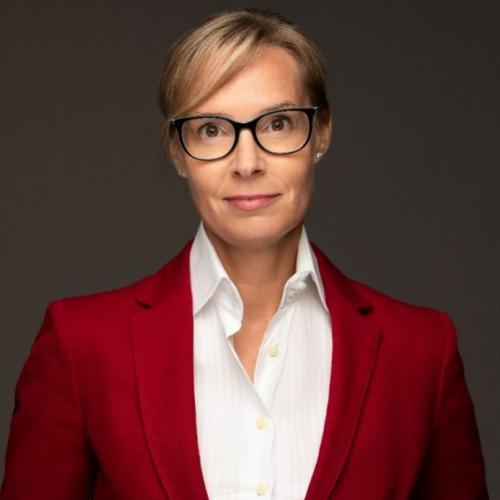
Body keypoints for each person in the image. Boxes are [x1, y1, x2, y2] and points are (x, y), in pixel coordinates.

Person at [0, 8, 489, 500]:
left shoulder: (422, 352)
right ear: (177, 151)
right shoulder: (80, 346)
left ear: (321, 133)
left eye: (278, 123)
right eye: (211, 130)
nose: (247, 163)